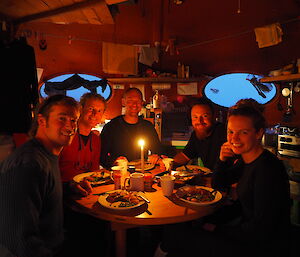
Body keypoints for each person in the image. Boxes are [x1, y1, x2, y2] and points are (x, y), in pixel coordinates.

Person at [166, 99, 291, 257]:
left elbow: (261, 229)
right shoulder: (247, 160)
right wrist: (222, 160)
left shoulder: (267, 169)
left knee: (180, 239)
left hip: (262, 247)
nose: (234, 139)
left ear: (259, 133)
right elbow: (220, 186)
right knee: (181, 229)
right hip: (247, 234)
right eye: (231, 132)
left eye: (243, 132)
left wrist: (218, 229)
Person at [0, 95, 80, 257]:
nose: (70, 126)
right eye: (62, 118)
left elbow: (41, 192)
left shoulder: (45, 156)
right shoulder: (29, 164)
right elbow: (18, 240)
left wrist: (69, 187)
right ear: (42, 121)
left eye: (74, 120)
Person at [100, 87, 163, 168]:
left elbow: (157, 149)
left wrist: (156, 156)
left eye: (138, 101)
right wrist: (113, 162)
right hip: (120, 172)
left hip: (143, 171)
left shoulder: (147, 126)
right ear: (123, 102)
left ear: (142, 103)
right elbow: (101, 156)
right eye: (130, 101)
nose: (134, 104)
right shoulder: (111, 126)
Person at [59, 92, 106, 196]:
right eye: (91, 109)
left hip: (87, 192)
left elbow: (94, 173)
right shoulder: (64, 135)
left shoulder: (95, 139)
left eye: (99, 111)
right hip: (63, 195)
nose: (95, 114)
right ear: (81, 109)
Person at [173, 97, 226, 170]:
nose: (199, 121)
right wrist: (167, 162)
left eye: (205, 116)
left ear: (214, 116)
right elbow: (184, 156)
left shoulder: (223, 132)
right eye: (195, 117)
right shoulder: (196, 135)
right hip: (210, 178)